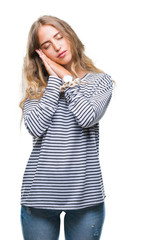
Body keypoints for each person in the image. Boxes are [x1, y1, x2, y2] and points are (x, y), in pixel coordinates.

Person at [19, 15, 113, 240]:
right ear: (40, 55)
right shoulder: (37, 88)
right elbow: (35, 128)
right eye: (46, 46)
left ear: (70, 36)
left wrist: (68, 79)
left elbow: (86, 117)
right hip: (39, 194)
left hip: (85, 196)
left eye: (59, 37)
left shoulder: (100, 82)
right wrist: (54, 80)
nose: (57, 47)